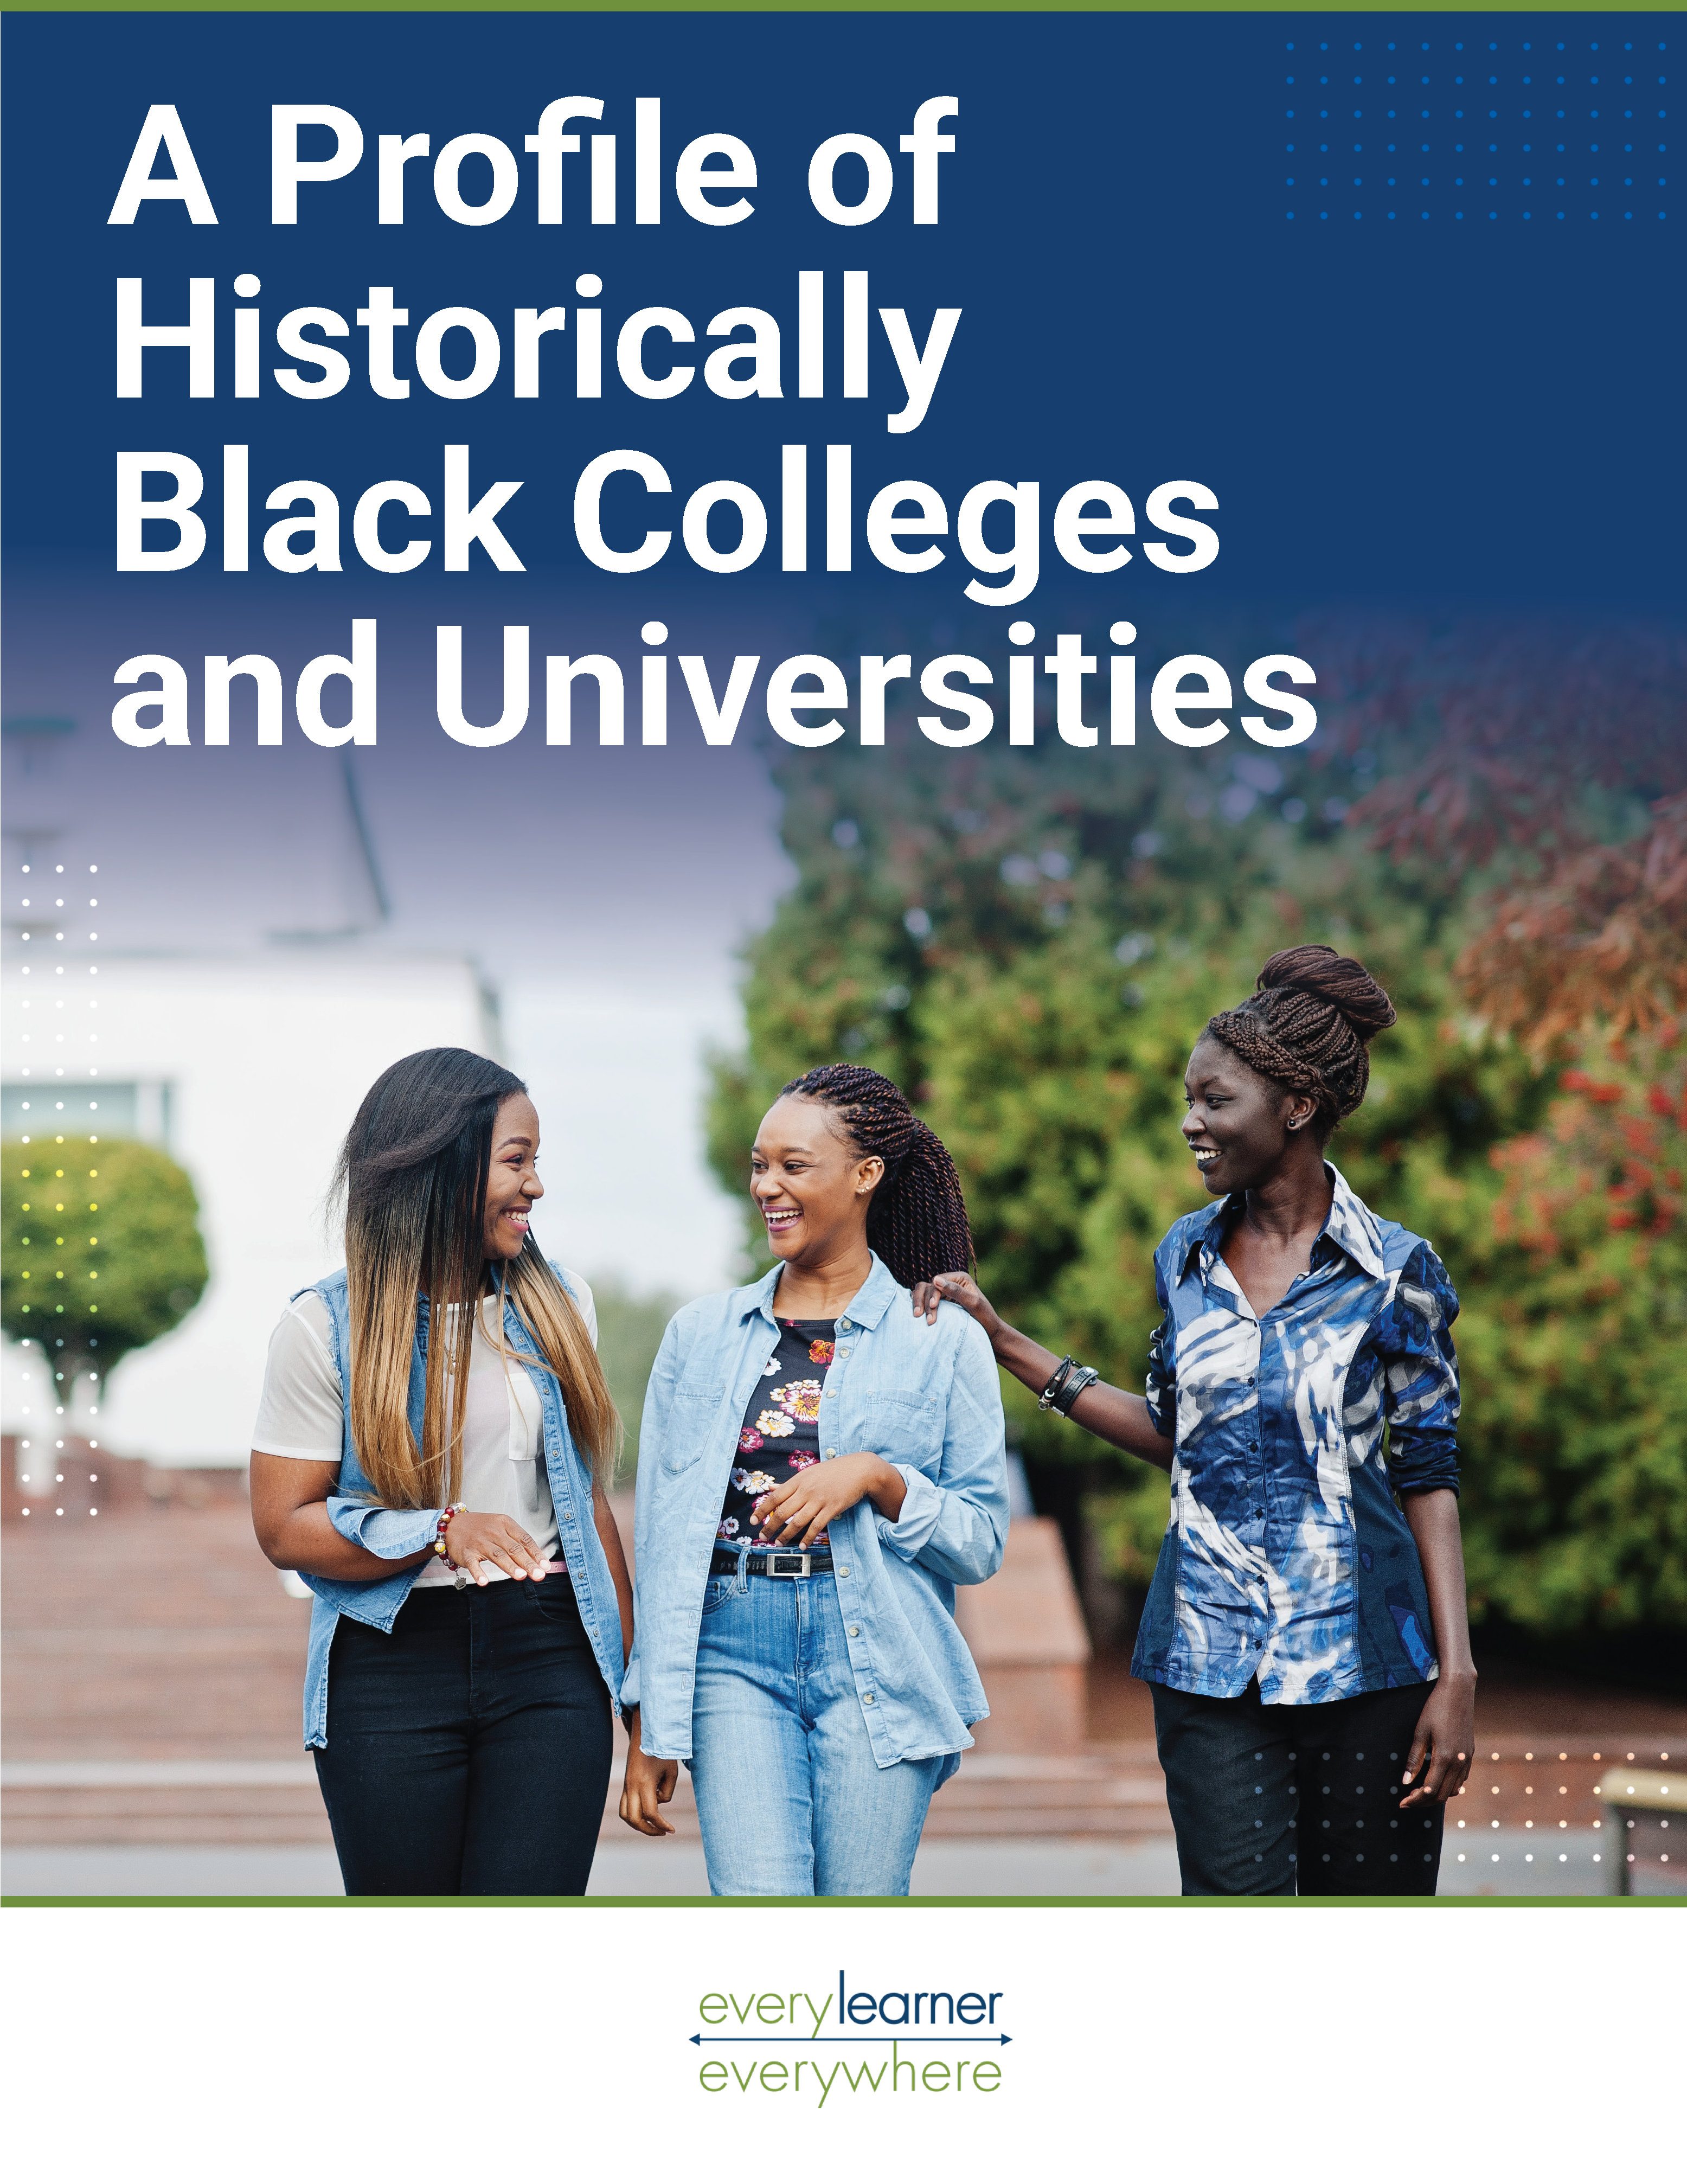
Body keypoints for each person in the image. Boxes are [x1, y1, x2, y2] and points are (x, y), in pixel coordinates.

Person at [913, 946, 1477, 1897]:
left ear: (1294, 1107)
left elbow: (1427, 1473)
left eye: (1214, 1101)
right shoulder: (1185, 1254)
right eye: (1189, 1100)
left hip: (1369, 1666)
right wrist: (1006, 1341)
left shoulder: (1396, 1271)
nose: (1191, 1123)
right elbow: (1177, 1432)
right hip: (1207, 1660)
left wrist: (1455, 1674)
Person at [249, 1047, 634, 1897]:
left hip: (547, 1652)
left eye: (537, 1161)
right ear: (441, 1165)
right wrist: (437, 1528)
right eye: (516, 1160)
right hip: (391, 1658)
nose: (536, 1185)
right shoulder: (321, 1328)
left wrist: (637, 1696)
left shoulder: (559, 1300)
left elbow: (586, 1503)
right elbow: (284, 1526)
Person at [618, 1064, 1010, 1897]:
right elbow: (664, 1537)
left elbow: (979, 1540)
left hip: (876, 1646)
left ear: (865, 1175)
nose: (768, 1186)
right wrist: (649, 1710)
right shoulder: (700, 1335)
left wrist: (877, 1477)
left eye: (793, 1165)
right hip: (732, 1650)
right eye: (760, 1165)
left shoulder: (941, 1339)